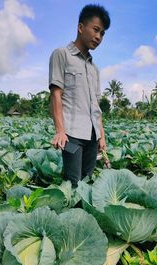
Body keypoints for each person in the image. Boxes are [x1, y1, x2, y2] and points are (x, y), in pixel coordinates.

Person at [49, 4, 110, 187]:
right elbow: (56, 94)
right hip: (72, 134)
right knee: (73, 183)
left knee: (86, 182)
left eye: (102, 34)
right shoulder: (61, 55)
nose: (99, 37)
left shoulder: (94, 69)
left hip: (92, 135)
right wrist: (60, 130)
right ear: (81, 27)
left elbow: (95, 107)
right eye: (96, 30)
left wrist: (101, 135)